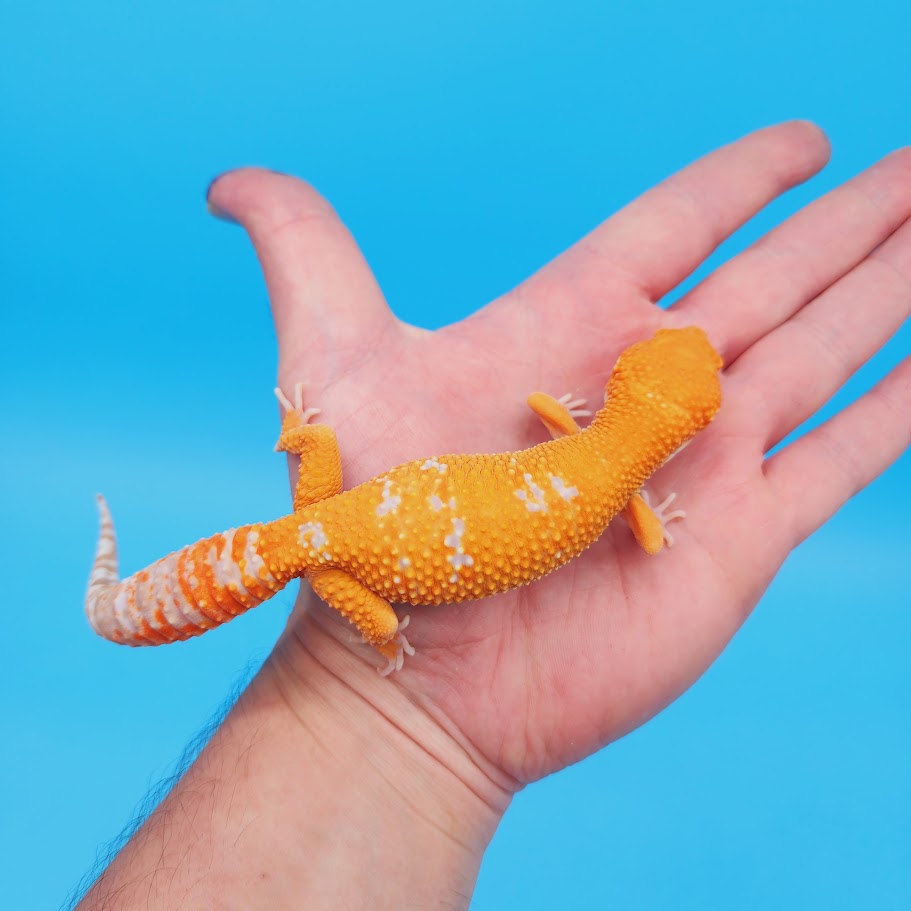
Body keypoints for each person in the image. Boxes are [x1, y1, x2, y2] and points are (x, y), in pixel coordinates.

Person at [75, 122, 910, 909]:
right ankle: (126, 608)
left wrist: (304, 436)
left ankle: (141, 584)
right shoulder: (619, 483)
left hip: (332, 521)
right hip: (346, 560)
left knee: (313, 509)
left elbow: (548, 406)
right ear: (677, 425)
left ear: (629, 385)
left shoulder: (581, 438)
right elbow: (650, 538)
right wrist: (385, 640)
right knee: (345, 587)